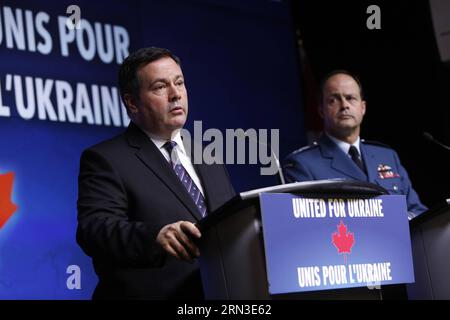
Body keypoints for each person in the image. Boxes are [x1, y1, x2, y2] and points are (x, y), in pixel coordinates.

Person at [76, 47, 235, 299]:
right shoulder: (106, 159)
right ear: (131, 102)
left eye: (179, 83)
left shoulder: (208, 156)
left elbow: (231, 223)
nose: (175, 95)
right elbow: (95, 231)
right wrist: (155, 237)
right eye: (160, 87)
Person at [283, 70, 427, 217]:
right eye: (334, 99)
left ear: (362, 107)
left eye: (350, 98)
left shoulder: (387, 156)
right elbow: (304, 226)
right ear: (321, 111)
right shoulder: (302, 165)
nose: (344, 105)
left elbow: (418, 212)